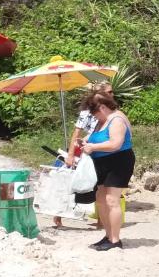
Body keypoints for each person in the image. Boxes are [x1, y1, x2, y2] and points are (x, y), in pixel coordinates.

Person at [81, 92, 135, 251]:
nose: (93, 117)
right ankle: (108, 235)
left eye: (94, 113)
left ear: (103, 108)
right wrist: (85, 141)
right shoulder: (102, 120)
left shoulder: (117, 120)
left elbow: (115, 144)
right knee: (100, 198)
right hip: (101, 162)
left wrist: (93, 147)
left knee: (112, 200)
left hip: (118, 162)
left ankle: (115, 239)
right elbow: (94, 137)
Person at [52, 83, 112, 228]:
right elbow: (76, 133)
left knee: (101, 185)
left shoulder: (111, 112)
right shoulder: (87, 113)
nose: (112, 94)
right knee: (72, 181)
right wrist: (71, 154)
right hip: (86, 150)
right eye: (109, 92)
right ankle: (58, 215)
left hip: (102, 150)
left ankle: (100, 219)